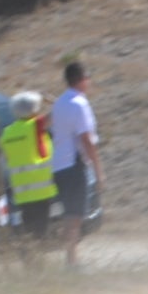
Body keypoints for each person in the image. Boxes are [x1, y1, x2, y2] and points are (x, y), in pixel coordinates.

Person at [48, 58, 101, 268]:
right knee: (75, 216)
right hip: (74, 163)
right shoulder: (79, 104)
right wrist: (98, 170)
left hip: (59, 165)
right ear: (80, 80)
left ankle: (71, 258)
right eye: (87, 77)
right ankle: (71, 261)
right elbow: (86, 139)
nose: (89, 81)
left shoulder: (60, 102)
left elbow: (47, 122)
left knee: (70, 214)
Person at [0, 91, 57, 251]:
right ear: (34, 109)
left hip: (22, 192)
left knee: (28, 229)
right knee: (41, 231)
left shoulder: (7, 133)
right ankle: (36, 263)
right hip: (42, 190)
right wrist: (52, 100)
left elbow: (6, 157)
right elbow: (57, 113)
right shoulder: (35, 125)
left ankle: (29, 259)